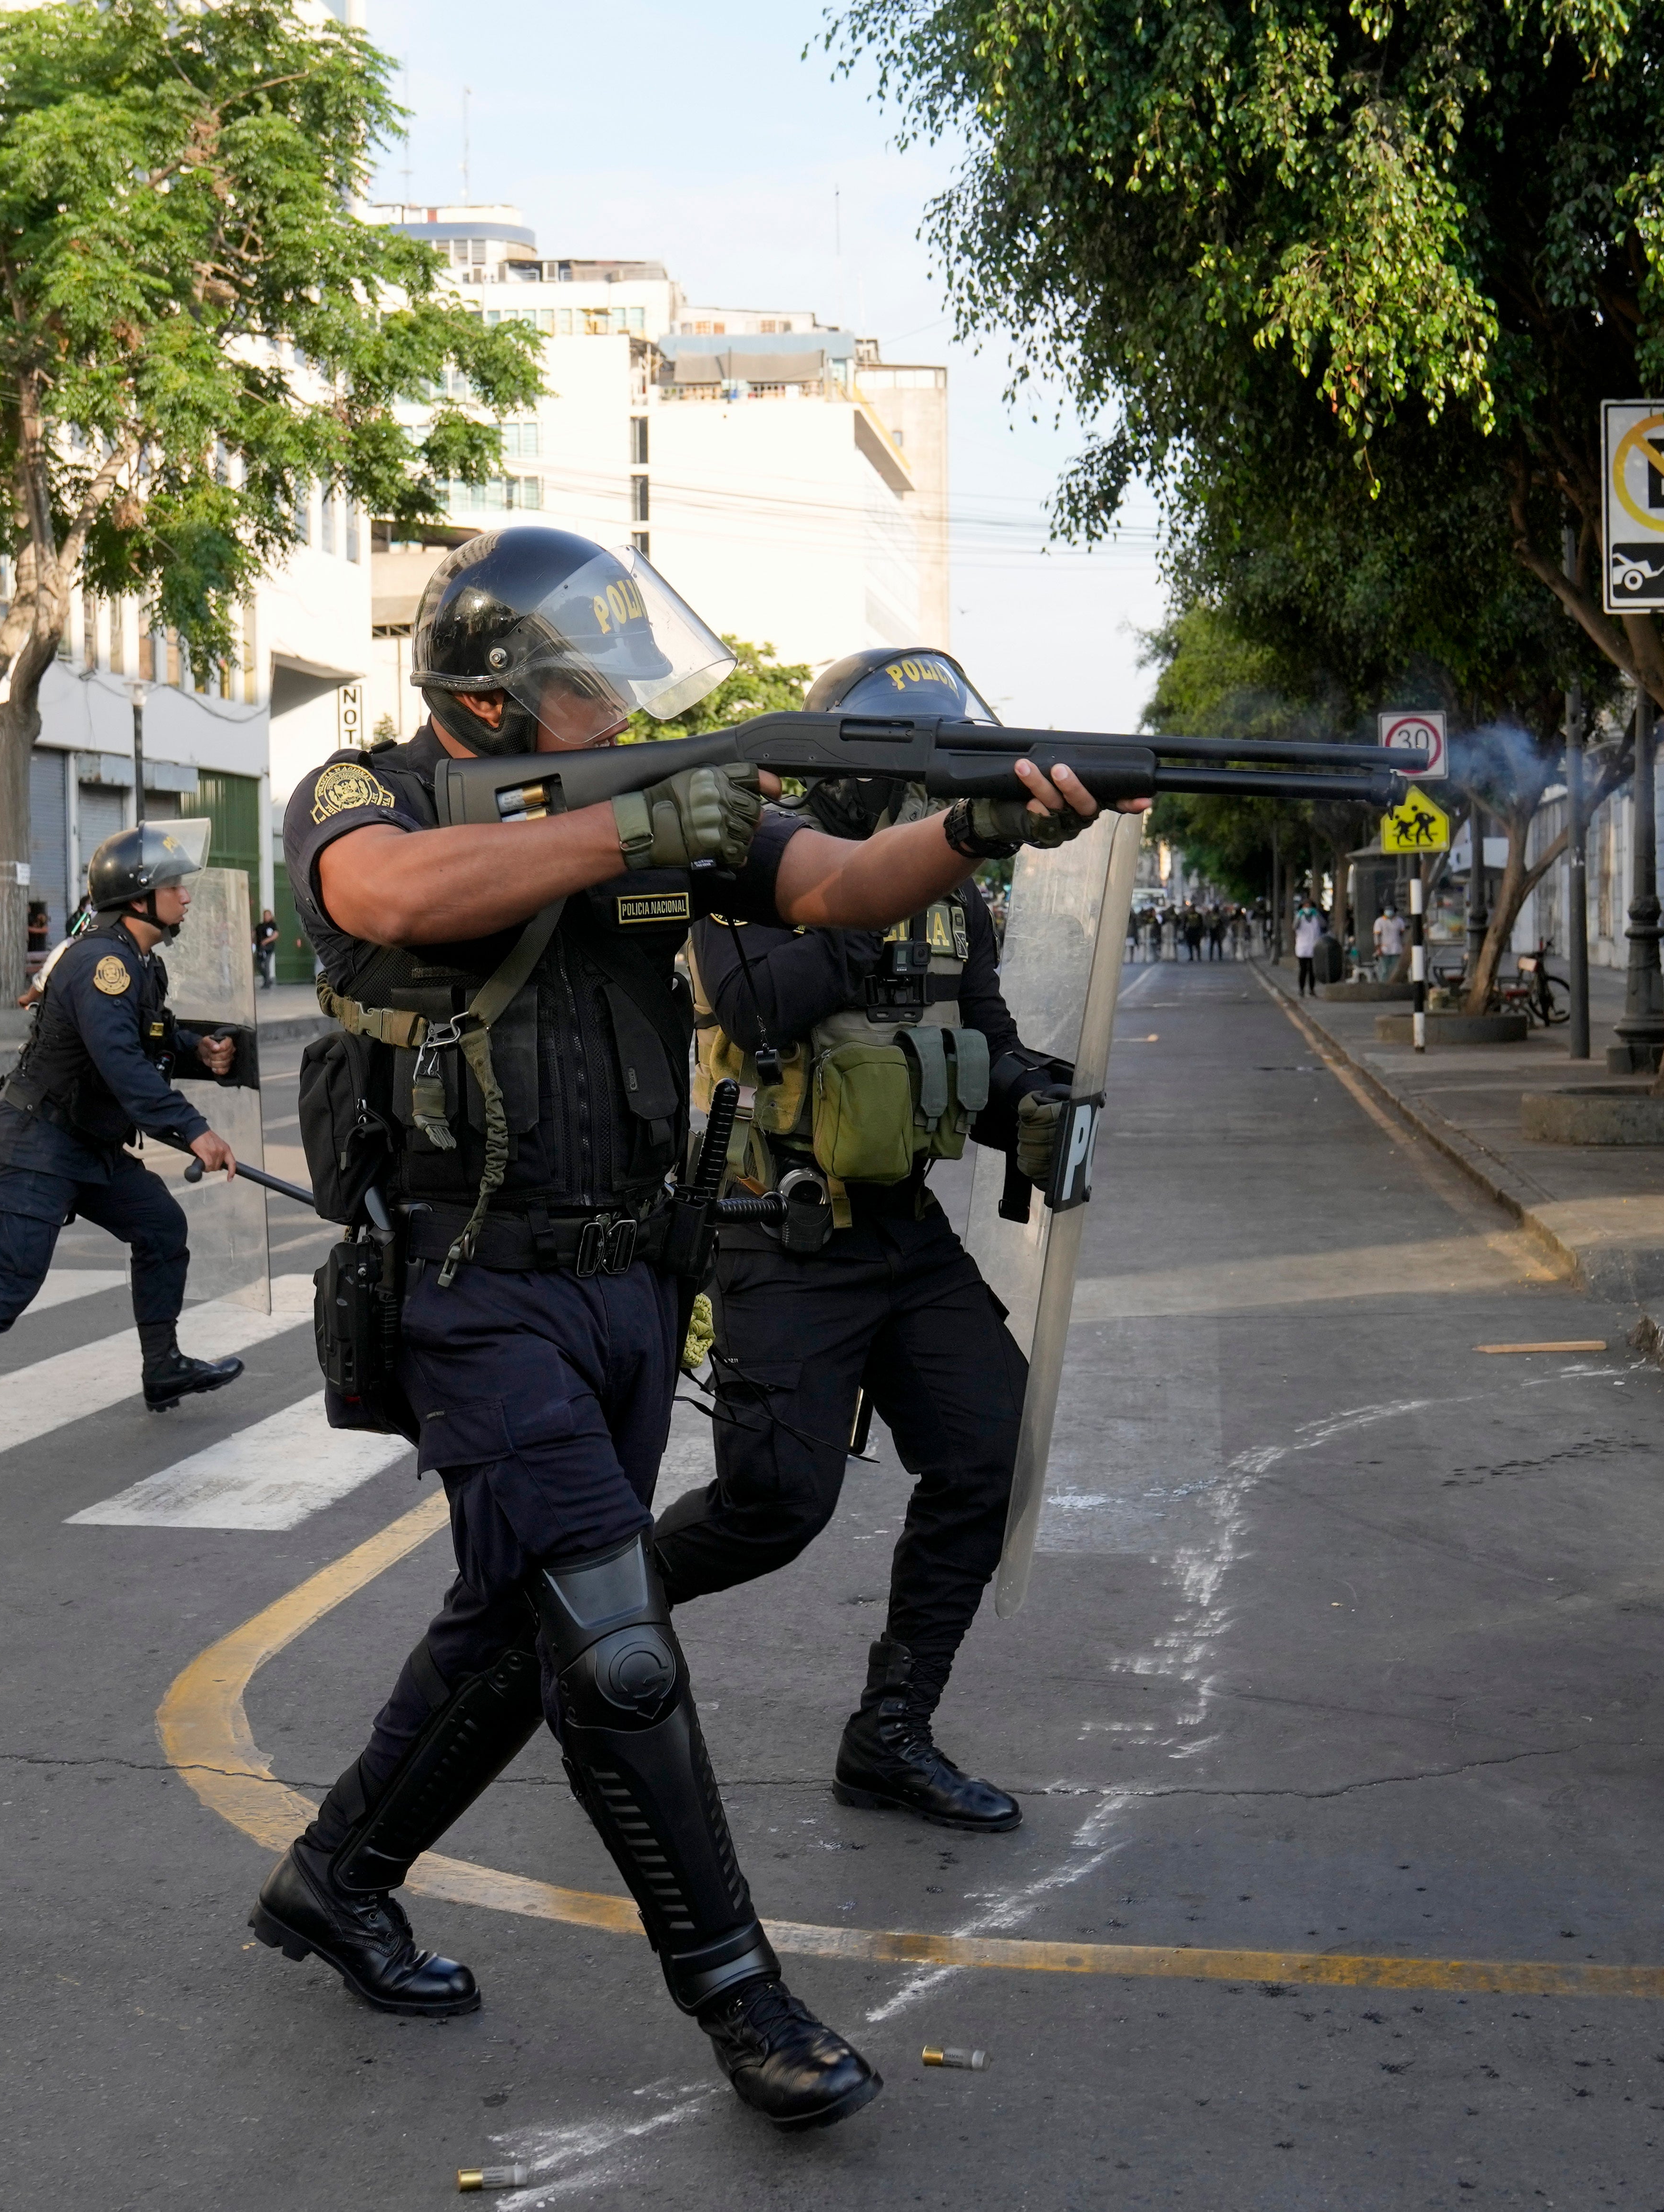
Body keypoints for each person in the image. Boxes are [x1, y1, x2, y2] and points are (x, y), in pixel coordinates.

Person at [251, 527, 1123, 2134]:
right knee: (619, 1652)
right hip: (471, 1285)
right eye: (585, 688)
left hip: (636, 1287)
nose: (616, 713)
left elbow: (838, 881)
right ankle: (740, 1994)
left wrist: (974, 827)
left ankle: (334, 1876)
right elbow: (383, 892)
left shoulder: (662, 796)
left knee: (518, 1623)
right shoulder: (355, 786)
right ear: (497, 702)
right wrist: (621, 828)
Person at [659, 646, 1078, 1846]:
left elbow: (982, 1043)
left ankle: (889, 1732)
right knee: (772, 1506)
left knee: (988, 1451)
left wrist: (1036, 1100)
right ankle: (590, 1632)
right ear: (852, 777)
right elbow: (754, 1004)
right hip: (777, 1233)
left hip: (901, 1232)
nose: (926, 808)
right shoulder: (742, 859)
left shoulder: (954, 895)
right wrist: (865, 893)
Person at [0, 828, 248, 1453]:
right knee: (12, 1279)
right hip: (34, 1144)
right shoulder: (101, 964)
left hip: (82, 1145)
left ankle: (163, 1367)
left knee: (159, 1226)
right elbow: (122, 1063)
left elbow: (149, 1041)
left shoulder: (140, 963)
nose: (185, 895)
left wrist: (197, 1050)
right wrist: (193, 1130)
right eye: (173, 885)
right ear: (138, 897)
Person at [1294, 905, 1325, 994]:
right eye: (1305, 907)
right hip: (1302, 948)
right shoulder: (1299, 917)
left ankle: (1312, 989)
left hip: (1314, 947)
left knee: (1312, 970)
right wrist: (1299, 916)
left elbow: (1323, 924)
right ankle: (1301, 989)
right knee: (1303, 970)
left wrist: (1318, 915)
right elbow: (1295, 927)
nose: (1308, 909)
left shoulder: (1316, 917)